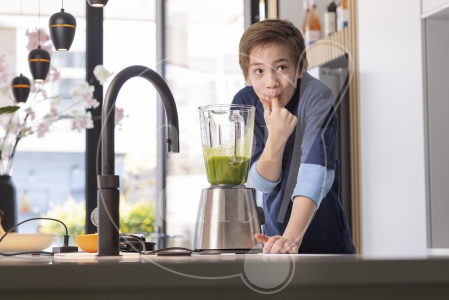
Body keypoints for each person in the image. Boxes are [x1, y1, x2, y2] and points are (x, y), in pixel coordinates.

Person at [232, 19, 355, 254]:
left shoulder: (316, 96)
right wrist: (277, 138)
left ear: (299, 68)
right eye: (259, 71)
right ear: (248, 77)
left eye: (281, 68)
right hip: (274, 238)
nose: (271, 83)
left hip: (326, 243)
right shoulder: (244, 103)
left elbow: (316, 175)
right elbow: (261, 183)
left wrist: (291, 238)